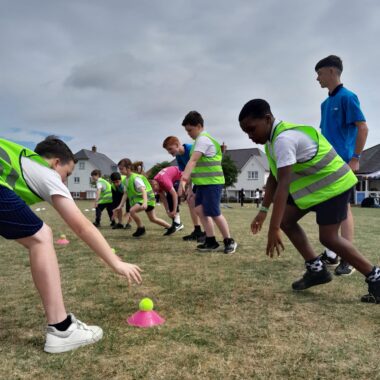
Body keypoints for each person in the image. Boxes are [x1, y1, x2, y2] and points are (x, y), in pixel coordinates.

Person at [0, 137, 142, 354]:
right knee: (40, 236)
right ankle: (61, 329)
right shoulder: (46, 171)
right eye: (67, 174)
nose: (64, 181)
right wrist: (115, 263)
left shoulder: (21, 165)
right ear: (56, 163)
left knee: (36, 235)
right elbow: (81, 226)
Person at [238, 99, 379, 303]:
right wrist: (262, 210)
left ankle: (376, 277)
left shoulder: (283, 140)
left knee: (329, 238)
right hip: (318, 188)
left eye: (252, 129)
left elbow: (284, 184)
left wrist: (273, 227)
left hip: (334, 185)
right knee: (287, 220)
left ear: (267, 119)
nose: (250, 136)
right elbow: (275, 178)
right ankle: (316, 270)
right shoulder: (271, 142)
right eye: (246, 133)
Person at [315, 55, 369, 276]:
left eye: (318, 73)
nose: (316, 78)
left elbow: (363, 128)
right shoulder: (325, 104)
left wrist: (355, 158)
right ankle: (332, 254)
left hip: (344, 164)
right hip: (327, 165)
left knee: (344, 210)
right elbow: (325, 135)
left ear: (331, 71)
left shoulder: (348, 97)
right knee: (331, 209)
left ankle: (349, 258)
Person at [179, 111, 237, 254]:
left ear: (199, 126)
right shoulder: (197, 143)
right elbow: (195, 166)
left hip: (212, 182)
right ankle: (210, 241)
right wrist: (190, 188)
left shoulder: (203, 140)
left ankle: (229, 240)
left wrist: (183, 181)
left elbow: (192, 162)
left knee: (214, 212)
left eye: (190, 130)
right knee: (199, 210)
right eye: (186, 131)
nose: (188, 133)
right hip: (203, 183)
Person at [114, 159, 172, 237]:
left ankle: (141, 228)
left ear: (128, 168)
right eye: (119, 169)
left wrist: (145, 202)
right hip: (144, 201)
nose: (120, 171)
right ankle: (171, 227)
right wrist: (120, 205)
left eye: (121, 169)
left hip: (147, 200)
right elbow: (125, 193)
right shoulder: (125, 180)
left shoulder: (135, 178)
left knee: (132, 211)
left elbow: (143, 190)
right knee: (153, 219)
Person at [163, 136, 205, 241]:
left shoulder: (192, 149)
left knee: (203, 207)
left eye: (170, 149)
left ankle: (208, 234)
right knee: (191, 201)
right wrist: (188, 189)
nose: (169, 152)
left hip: (206, 179)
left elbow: (197, 166)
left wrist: (182, 186)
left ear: (177, 145)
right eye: (167, 150)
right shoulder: (178, 157)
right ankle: (197, 230)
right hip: (195, 181)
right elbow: (185, 173)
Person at [150, 166, 184, 235]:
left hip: (179, 174)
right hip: (171, 177)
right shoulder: (156, 183)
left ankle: (178, 224)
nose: (155, 191)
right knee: (168, 197)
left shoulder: (164, 181)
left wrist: (174, 210)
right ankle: (176, 223)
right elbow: (163, 199)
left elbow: (175, 195)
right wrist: (168, 211)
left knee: (170, 195)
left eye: (155, 190)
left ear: (155, 184)